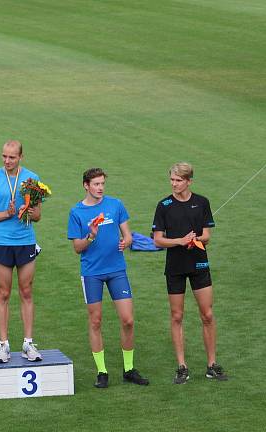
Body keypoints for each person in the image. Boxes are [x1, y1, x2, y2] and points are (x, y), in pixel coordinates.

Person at [67, 168, 149, 388]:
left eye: (102, 183)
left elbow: (128, 234)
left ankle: (129, 369)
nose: (100, 188)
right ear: (86, 185)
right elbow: (77, 247)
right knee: (95, 321)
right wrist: (91, 236)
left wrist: (128, 241)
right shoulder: (77, 212)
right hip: (92, 272)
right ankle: (102, 372)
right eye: (96, 184)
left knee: (128, 320)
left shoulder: (115, 205)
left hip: (116, 270)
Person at [152, 162, 228, 384]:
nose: (174, 184)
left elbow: (207, 236)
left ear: (189, 181)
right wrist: (179, 241)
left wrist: (195, 239)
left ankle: (212, 364)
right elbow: (157, 239)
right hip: (175, 267)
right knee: (177, 316)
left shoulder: (202, 202)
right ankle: (182, 366)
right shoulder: (163, 205)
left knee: (207, 315)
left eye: (178, 180)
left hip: (199, 264)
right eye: (172, 180)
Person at [0, 140, 43, 363]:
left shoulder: (32, 180)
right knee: (3, 293)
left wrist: (27, 211)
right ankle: (3, 345)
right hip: (3, 242)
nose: (7, 161)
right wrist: (7, 213)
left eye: (12, 157)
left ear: (21, 157)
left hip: (25, 240)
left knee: (26, 292)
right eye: (4, 156)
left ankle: (28, 343)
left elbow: (37, 216)